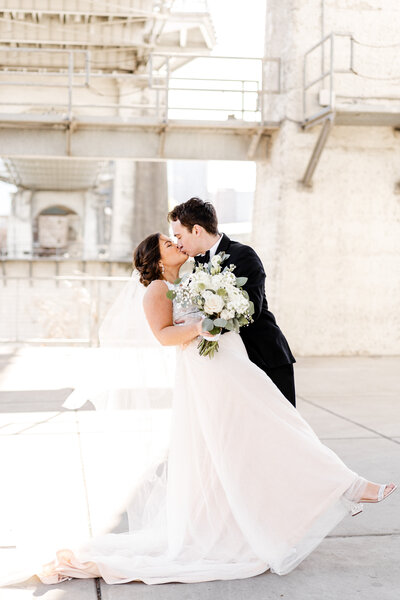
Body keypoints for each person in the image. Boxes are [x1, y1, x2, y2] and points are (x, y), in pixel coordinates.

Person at [1, 232, 396, 587]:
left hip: (230, 361)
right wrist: (203, 326)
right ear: (156, 260)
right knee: (274, 427)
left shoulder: (193, 279)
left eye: (176, 239)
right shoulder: (157, 289)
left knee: (269, 429)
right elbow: (163, 335)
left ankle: (293, 505)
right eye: (168, 244)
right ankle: (348, 486)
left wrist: (221, 315)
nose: (176, 245)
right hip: (209, 371)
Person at [168, 197, 297, 407]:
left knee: (283, 430)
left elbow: (250, 310)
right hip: (231, 364)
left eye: (179, 236)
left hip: (263, 356)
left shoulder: (243, 255)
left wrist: (204, 328)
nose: (178, 244)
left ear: (197, 230)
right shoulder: (199, 263)